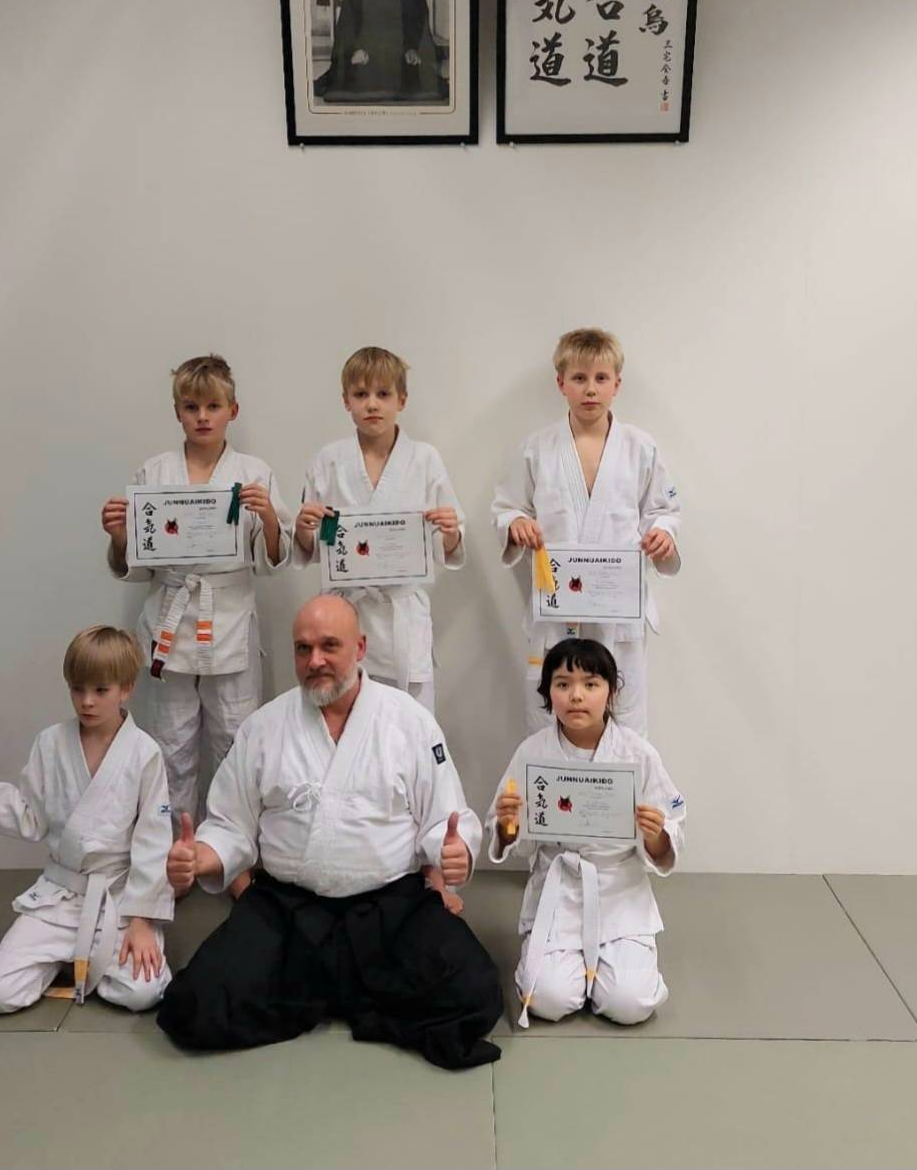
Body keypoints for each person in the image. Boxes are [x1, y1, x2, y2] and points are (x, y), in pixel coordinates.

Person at [156, 595, 504, 1071]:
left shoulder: (409, 722)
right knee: (191, 1007)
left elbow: (444, 820)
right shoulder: (264, 727)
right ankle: (361, 995)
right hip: (287, 910)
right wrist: (201, 857)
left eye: (329, 646)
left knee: (477, 992)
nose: (314, 660)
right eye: (303, 649)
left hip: (389, 909)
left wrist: (455, 851)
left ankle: (319, 994)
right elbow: (230, 825)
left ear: (360, 648)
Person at [100, 355, 293, 827]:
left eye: (213, 406)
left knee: (235, 741)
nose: (203, 416)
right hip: (170, 619)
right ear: (177, 412)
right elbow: (137, 565)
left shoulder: (254, 472)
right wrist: (120, 535)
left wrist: (269, 516)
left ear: (233, 410)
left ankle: (231, 849)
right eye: (191, 407)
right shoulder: (153, 473)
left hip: (230, 618)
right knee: (170, 745)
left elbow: (272, 561)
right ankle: (173, 848)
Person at [0, 626, 174, 1014]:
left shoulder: (144, 753)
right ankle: (75, 958)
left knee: (142, 992)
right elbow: (31, 817)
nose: (86, 701)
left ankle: (87, 957)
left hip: (118, 899)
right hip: (60, 895)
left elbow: (153, 841)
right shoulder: (50, 743)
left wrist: (142, 920)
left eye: (101, 690)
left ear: (126, 688)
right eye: (77, 689)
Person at [491, 328, 681, 735]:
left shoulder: (640, 447)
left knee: (625, 721)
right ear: (561, 383)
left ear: (617, 384)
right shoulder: (537, 448)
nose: (590, 389)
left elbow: (663, 510)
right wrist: (516, 523)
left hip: (618, 608)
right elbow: (508, 506)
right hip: (559, 608)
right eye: (579, 378)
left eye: (600, 378)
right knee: (550, 718)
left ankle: (622, 779)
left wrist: (663, 533)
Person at [487, 638, 685, 1029]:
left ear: (611, 691)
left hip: (618, 888)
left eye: (591, 684)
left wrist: (655, 835)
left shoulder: (637, 753)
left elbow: (672, 830)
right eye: (563, 684)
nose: (576, 696)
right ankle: (570, 970)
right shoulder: (533, 752)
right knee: (547, 999)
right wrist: (508, 828)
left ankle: (617, 968)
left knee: (629, 1003)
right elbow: (510, 834)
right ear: (548, 693)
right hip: (559, 885)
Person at [293, 346, 463, 718]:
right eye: (361, 394)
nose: (372, 404)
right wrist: (304, 529)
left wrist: (450, 531)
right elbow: (311, 549)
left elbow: (447, 547)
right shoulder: (328, 460)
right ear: (346, 401)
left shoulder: (425, 459)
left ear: (402, 399)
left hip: (401, 616)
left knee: (410, 724)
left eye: (383, 394)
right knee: (342, 717)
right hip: (344, 613)